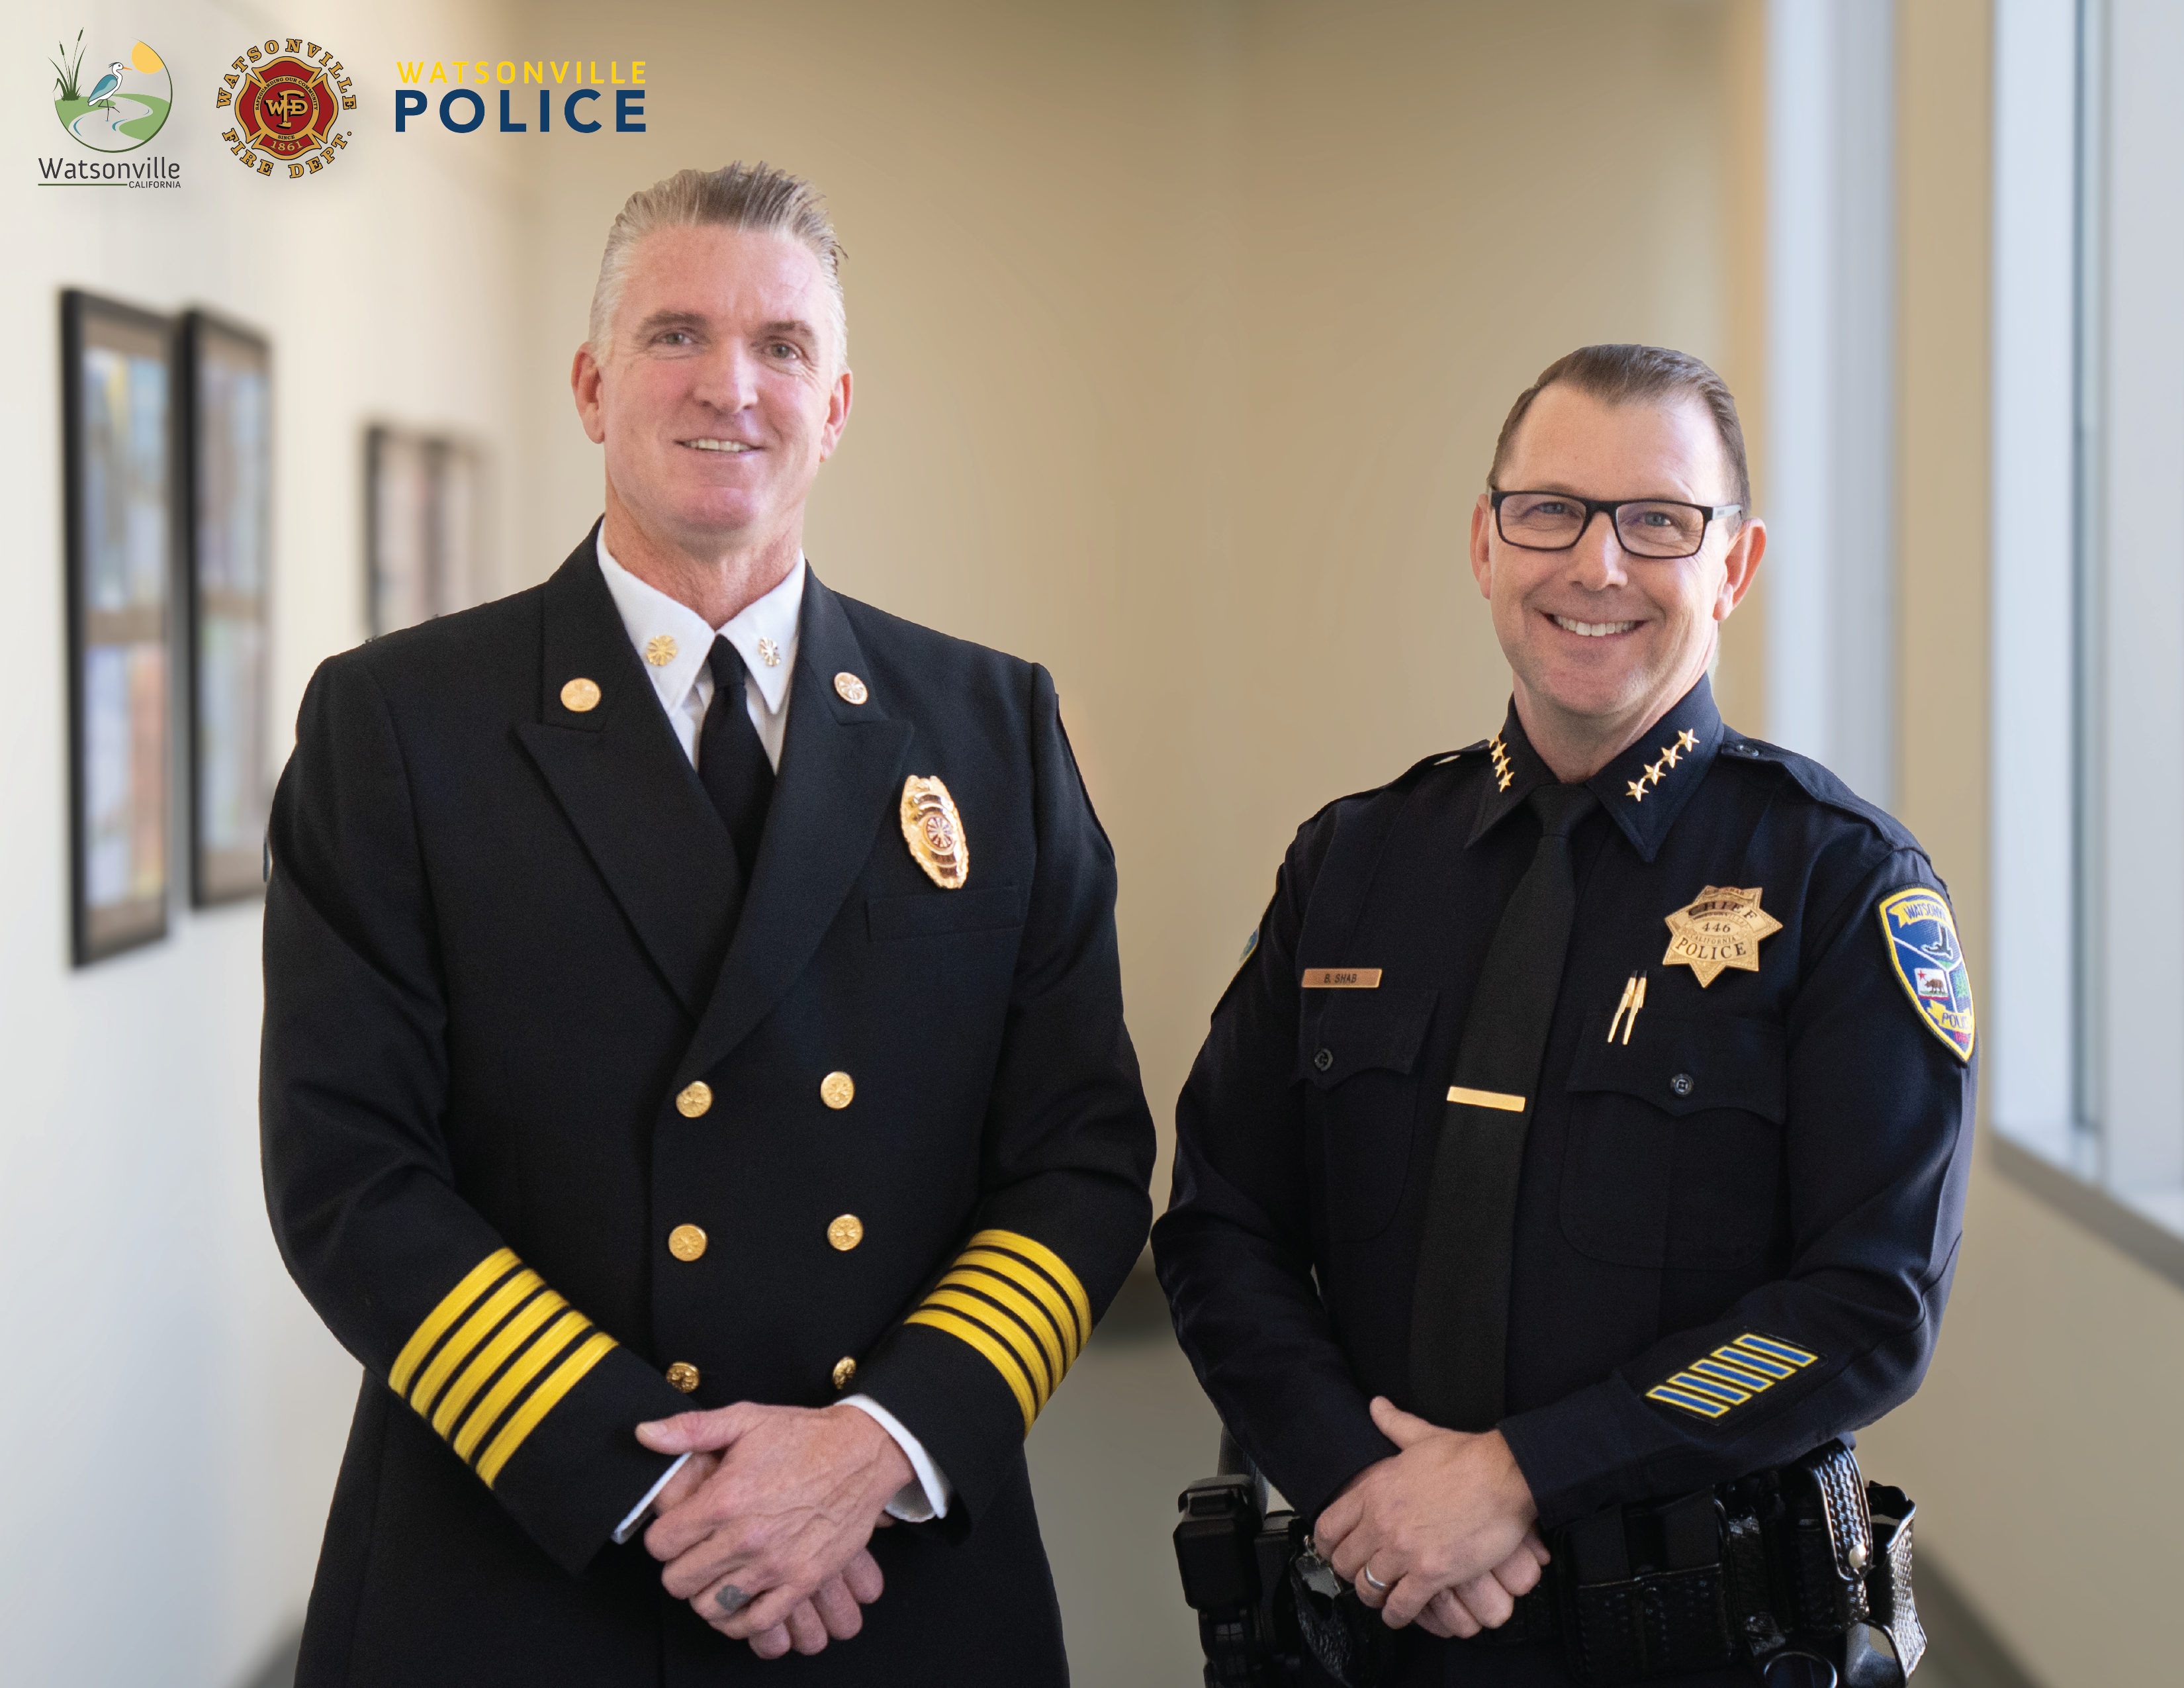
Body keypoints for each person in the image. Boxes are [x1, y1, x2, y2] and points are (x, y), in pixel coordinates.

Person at [262, 162, 1156, 1686]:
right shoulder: (400, 724)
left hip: (894, 1562)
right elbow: (350, 1172)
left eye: (782, 347)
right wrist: (667, 1487)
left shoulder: (992, 727)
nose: (729, 386)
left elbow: (1082, 1154)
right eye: (676, 336)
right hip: (525, 1551)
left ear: (841, 400)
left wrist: (871, 1453)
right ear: (593, 385)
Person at [1153, 344, 1974, 1685]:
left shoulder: (1841, 882)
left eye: (1659, 522)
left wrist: (1526, 1475)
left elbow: (1867, 1301)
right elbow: (1220, 1226)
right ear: (1485, 544)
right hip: (1367, 1622)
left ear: (1735, 567)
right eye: (1552, 512)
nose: (1597, 567)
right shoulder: (1351, 867)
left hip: (1694, 1644)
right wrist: (1360, 1481)